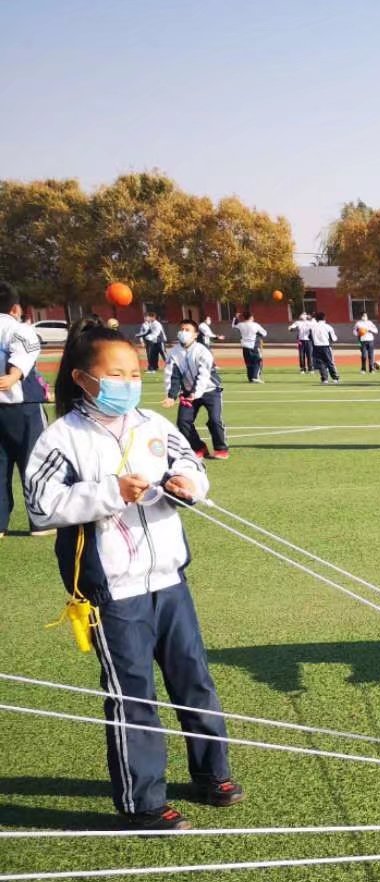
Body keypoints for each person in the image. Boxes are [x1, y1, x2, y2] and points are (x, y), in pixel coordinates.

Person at [24, 319, 243, 830]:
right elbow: (41, 506)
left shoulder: (155, 426)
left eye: (134, 371)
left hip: (169, 578)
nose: (128, 381)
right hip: (111, 589)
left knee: (195, 680)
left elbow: (192, 467)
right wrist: (108, 493)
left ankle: (213, 773)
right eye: (114, 373)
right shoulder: (62, 437)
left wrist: (190, 484)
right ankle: (142, 799)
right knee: (132, 694)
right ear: (82, 379)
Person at [0, 283, 50, 538]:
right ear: (16, 308)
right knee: (34, 462)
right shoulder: (17, 327)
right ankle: (40, 522)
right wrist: (14, 375)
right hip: (22, 405)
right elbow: (26, 348)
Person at [162, 318, 228, 459]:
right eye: (181, 330)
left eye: (187, 330)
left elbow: (203, 375)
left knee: (214, 420)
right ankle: (199, 448)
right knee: (183, 422)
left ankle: (221, 448)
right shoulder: (174, 352)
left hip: (210, 390)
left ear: (195, 334)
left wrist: (195, 393)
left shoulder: (202, 351)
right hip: (188, 392)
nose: (183, 333)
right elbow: (172, 375)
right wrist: (171, 396)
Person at [234, 311, 267, 383]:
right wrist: (258, 334)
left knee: (248, 363)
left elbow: (234, 325)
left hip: (245, 346)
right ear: (251, 317)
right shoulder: (255, 325)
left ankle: (250, 378)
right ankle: (255, 377)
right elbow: (264, 333)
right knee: (258, 361)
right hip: (253, 345)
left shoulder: (241, 325)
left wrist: (236, 317)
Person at [309, 312, 340, 383]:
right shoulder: (328, 327)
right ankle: (335, 378)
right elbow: (334, 338)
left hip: (316, 347)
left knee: (320, 364)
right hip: (326, 347)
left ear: (316, 319)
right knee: (330, 362)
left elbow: (310, 337)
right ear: (324, 318)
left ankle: (325, 379)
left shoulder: (312, 327)